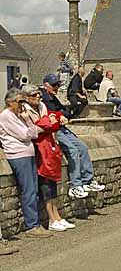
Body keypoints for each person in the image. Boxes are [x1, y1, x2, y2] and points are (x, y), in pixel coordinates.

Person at [41, 74, 105, 198]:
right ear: (46, 85)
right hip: (54, 130)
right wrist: (61, 115)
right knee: (73, 150)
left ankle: (88, 181)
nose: (57, 87)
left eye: (58, 84)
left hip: (61, 127)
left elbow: (64, 110)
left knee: (83, 147)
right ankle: (75, 185)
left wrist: (61, 114)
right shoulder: (43, 98)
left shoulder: (52, 97)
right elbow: (49, 114)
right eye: (54, 85)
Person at [21, 85, 75, 232]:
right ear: (26, 97)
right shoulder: (25, 111)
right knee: (45, 185)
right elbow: (35, 129)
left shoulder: (42, 107)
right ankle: (51, 218)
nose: (38, 97)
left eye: (38, 94)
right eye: (34, 95)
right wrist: (48, 123)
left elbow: (49, 122)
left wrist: (55, 119)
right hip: (39, 150)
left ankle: (57, 217)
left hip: (49, 146)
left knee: (52, 184)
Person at [0, 88, 52, 238]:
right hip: (18, 155)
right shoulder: (6, 116)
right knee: (28, 189)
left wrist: (28, 119)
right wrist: (33, 128)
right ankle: (32, 226)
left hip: (27, 153)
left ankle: (35, 223)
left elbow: (32, 131)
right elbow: (25, 135)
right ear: (10, 103)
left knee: (33, 189)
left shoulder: (19, 115)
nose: (22, 104)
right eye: (20, 101)